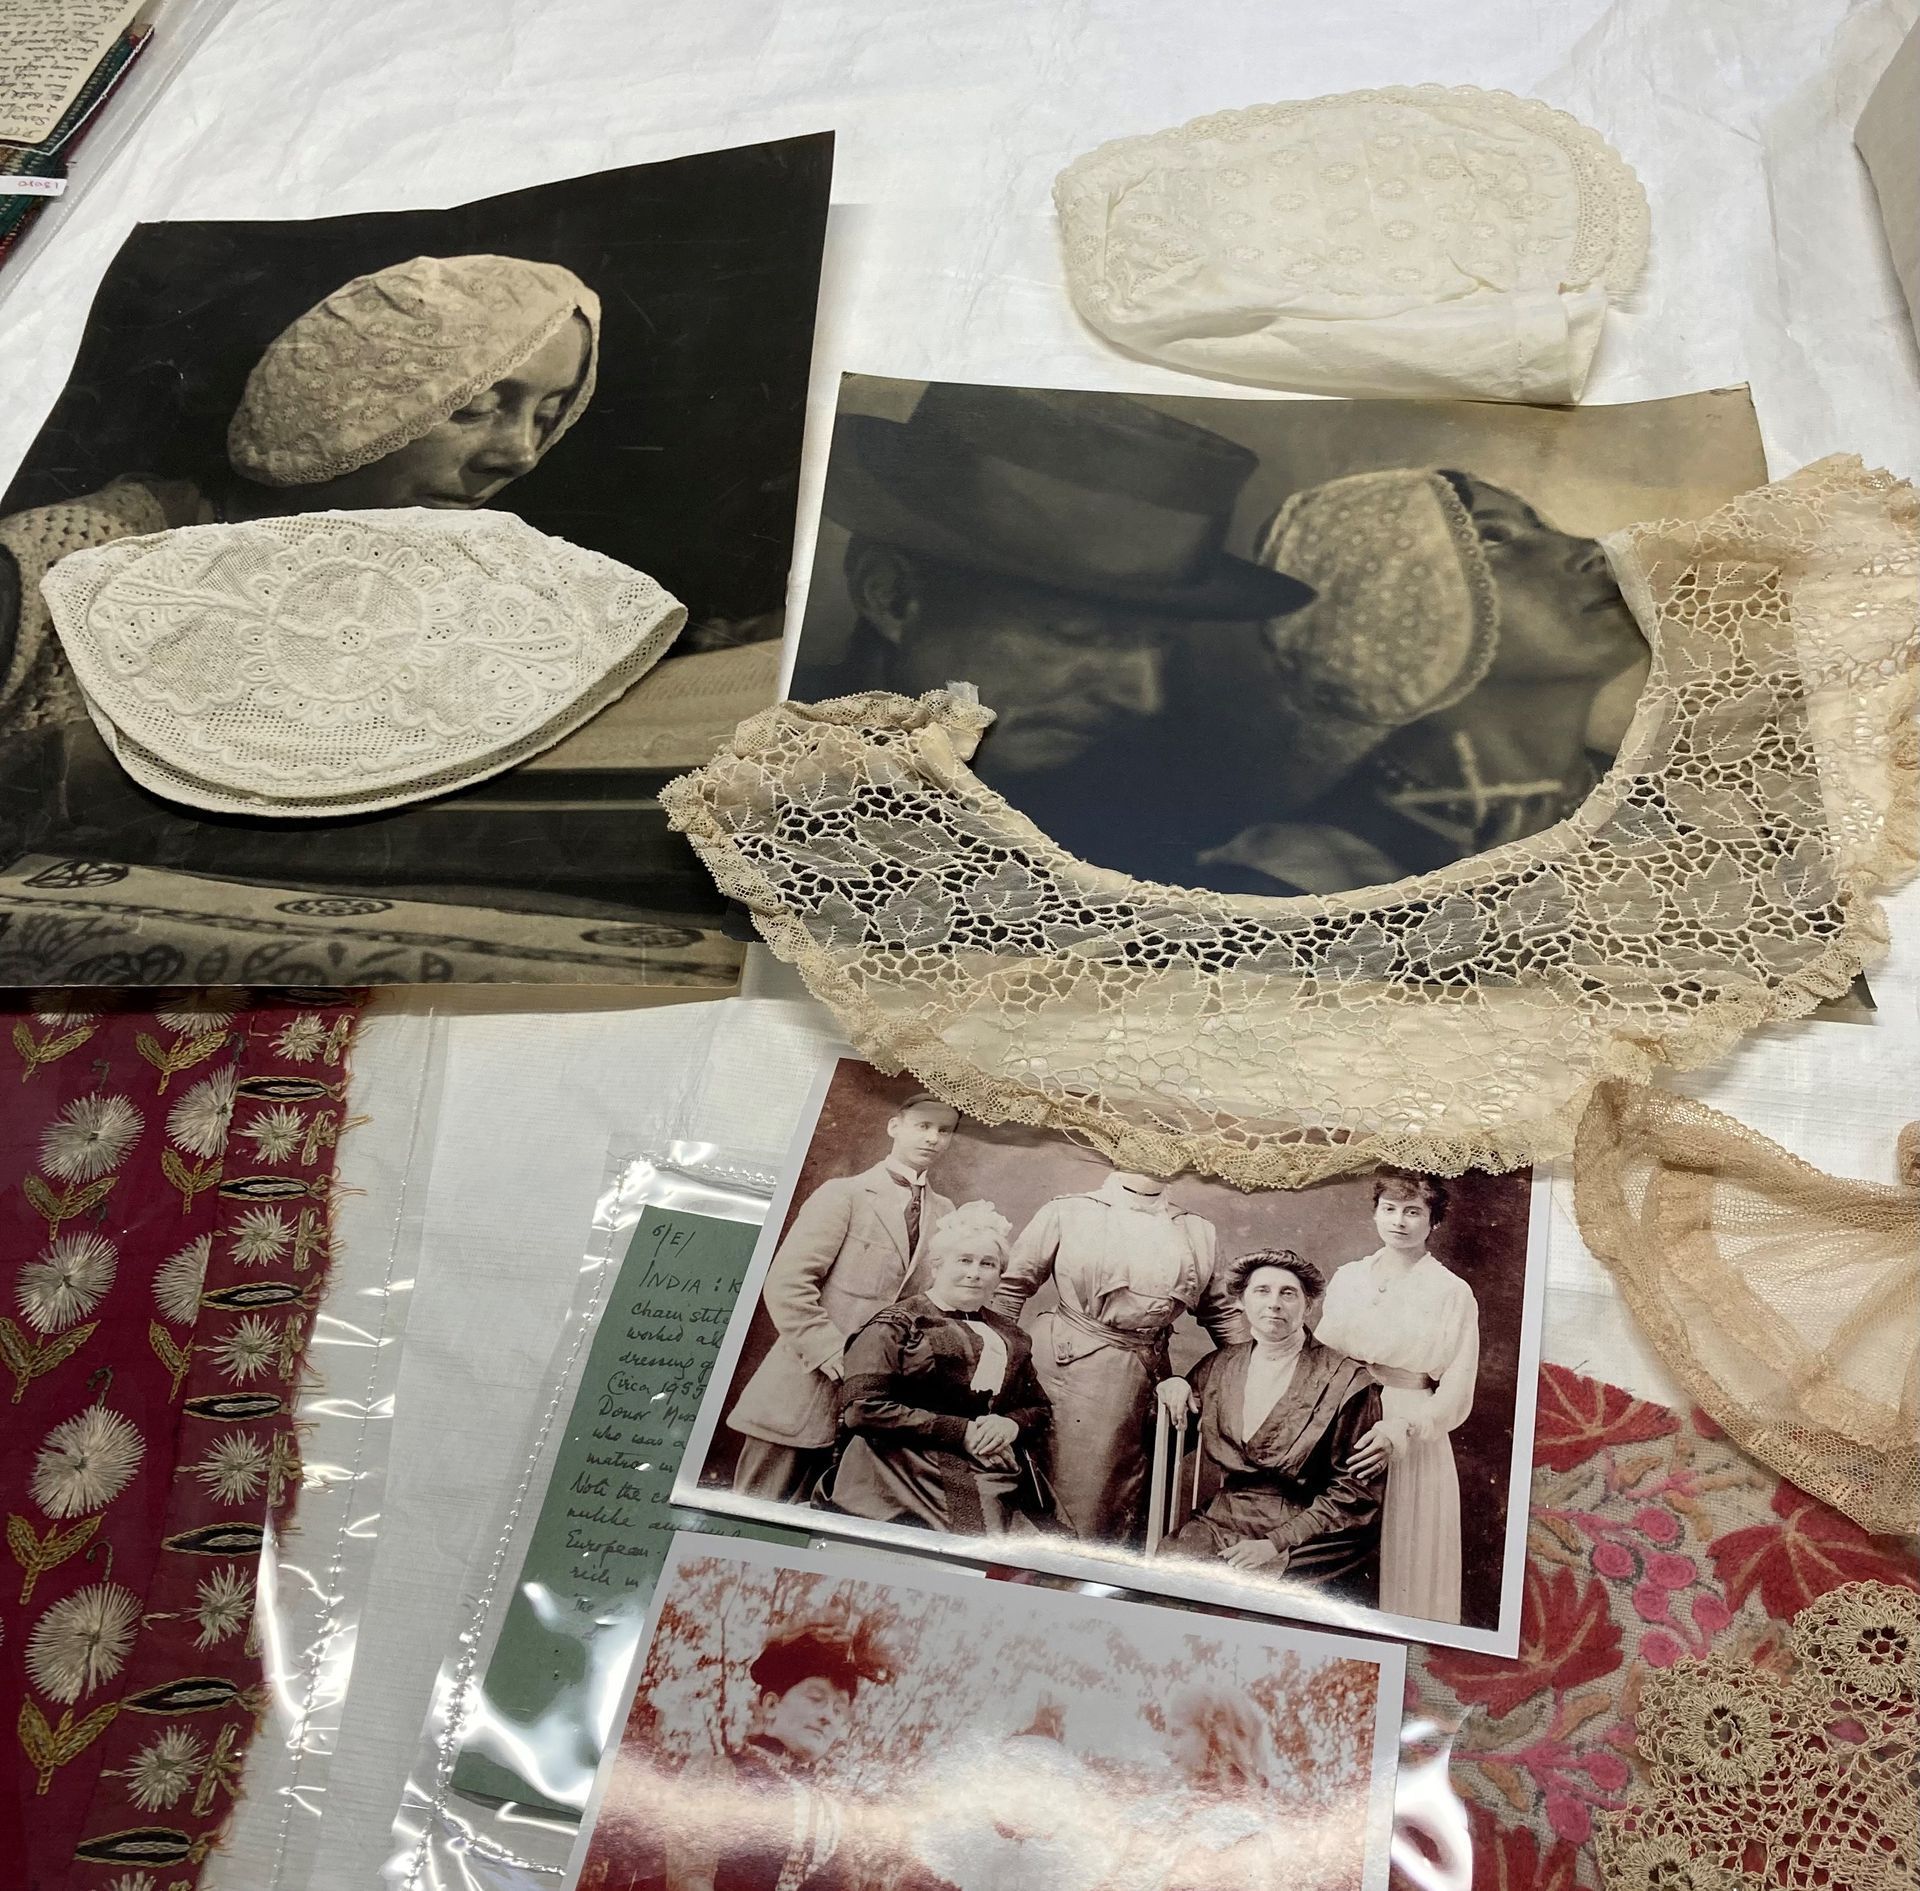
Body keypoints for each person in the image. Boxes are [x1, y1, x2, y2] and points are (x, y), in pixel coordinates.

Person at [1, 253, 600, 741]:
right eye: (474, 407)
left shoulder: (455, 608)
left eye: (547, 416)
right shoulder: (59, 565)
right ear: (347, 405)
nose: (521, 454)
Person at [789, 382, 1314, 876]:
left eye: (1164, 642)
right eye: (1080, 634)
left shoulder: (1153, 810)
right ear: (891, 596)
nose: (1145, 698)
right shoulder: (769, 779)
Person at [1201, 465, 1650, 896]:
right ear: (1403, 617)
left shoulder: (1658, 793)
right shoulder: (1304, 880)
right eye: (1493, 538)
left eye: (1542, 527)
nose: (1592, 550)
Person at [725, 1093, 960, 1502]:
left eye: (944, 1131)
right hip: (804, 1389)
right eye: (923, 1126)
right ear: (895, 1126)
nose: (932, 1138)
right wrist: (835, 1354)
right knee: (753, 1511)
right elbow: (788, 1283)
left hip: (873, 1413)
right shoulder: (844, 1194)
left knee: (817, 1523)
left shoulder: (946, 1213)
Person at [994, 1166, 1237, 1544]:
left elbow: (1223, 1314)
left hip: (1148, 1379)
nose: (1154, 1159)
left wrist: (1261, 1371)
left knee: (1130, 1509)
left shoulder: (1197, 1230)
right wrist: (994, 1367)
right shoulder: (1068, 1211)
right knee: (1072, 1505)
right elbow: (1009, 1289)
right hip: (1067, 1374)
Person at [1159, 1251, 1384, 1602]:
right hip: (1224, 1517)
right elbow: (1165, 1441)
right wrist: (1173, 1386)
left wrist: (1274, 1543)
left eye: (1288, 1293)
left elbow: (1355, 1493)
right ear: (1241, 1301)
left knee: (1251, 1592)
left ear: (1308, 1305)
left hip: (1311, 1529)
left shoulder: (1347, 1380)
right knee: (1171, 1571)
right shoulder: (1220, 1365)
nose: (1274, 1304)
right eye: (1262, 1291)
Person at [827, 1201, 1054, 1535]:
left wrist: (1009, 1424)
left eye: (987, 1264)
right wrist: (963, 1432)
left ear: (999, 1274)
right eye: (964, 1260)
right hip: (899, 1466)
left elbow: (1039, 1407)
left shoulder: (1010, 1335)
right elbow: (862, 1409)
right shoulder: (897, 1324)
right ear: (937, 1266)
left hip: (986, 1463)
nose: (975, 1273)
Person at [1314, 1168, 1479, 1624]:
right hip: (1342, 1415)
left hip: (1408, 1424)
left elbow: (1456, 1390)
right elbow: (1320, 1358)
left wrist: (1404, 1429)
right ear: (1375, 1213)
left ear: (1434, 1221)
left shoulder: (1451, 1292)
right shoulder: (1349, 1277)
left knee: (1404, 1548)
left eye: (1413, 1212)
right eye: (1389, 1209)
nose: (1399, 1221)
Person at [647, 1622, 886, 1891]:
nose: (827, 1716)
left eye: (838, 1710)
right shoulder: (720, 1773)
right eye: (815, 1698)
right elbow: (691, 1877)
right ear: (771, 1706)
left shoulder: (831, 1817)